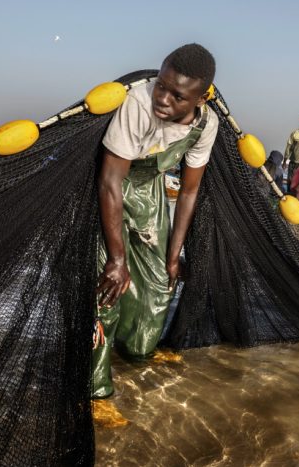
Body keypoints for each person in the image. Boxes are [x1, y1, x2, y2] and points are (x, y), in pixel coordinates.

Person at [92, 44, 218, 399]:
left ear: (199, 99)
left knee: (159, 289)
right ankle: (96, 389)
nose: (162, 99)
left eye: (177, 96)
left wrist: (174, 255)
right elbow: (110, 181)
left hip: (151, 199)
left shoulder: (206, 124)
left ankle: (134, 357)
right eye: (161, 85)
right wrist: (117, 260)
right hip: (108, 194)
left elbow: (189, 192)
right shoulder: (137, 103)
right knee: (106, 292)